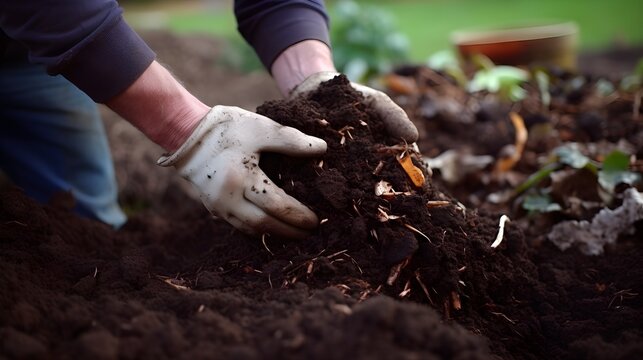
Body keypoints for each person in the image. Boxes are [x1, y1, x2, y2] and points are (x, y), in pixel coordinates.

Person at [0, 0, 418, 239]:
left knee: (80, 232)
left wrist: (316, 80)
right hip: (40, 19)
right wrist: (192, 131)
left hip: (24, 55)